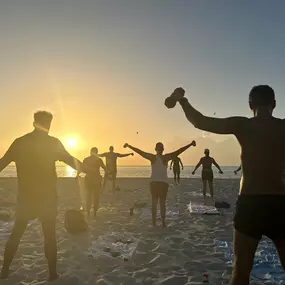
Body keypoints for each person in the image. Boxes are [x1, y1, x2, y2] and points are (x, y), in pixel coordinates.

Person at [166, 85, 285, 285]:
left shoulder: (243, 125)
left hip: (251, 204)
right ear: (274, 104)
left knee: (241, 272)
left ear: (250, 105)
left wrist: (181, 100)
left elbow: (200, 122)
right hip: (280, 203)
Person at [0, 111, 84, 281]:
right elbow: (72, 161)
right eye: (46, 123)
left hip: (28, 197)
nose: (47, 126)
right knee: (47, 235)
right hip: (44, 197)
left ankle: (5, 271)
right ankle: (52, 274)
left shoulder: (20, 142)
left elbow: (2, 163)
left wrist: (86, 168)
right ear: (37, 123)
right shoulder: (52, 143)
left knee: (19, 233)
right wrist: (88, 169)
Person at [123, 141, 196, 227]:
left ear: (155, 149)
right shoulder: (166, 157)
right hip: (163, 184)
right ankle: (163, 223)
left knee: (154, 203)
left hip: (153, 183)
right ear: (163, 149)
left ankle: (154, 223)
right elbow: (178, 151)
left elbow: (140, 152)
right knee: (162, 203)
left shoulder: (152, 157)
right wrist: (190, 145)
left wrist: (129, 146)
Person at [82, 147, 108, 217]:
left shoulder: (86, 159)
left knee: (89, 196)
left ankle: (88, 213)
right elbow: (105, 168)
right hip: (96, 180)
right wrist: (108, 174)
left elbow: (81, 168)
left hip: (89, 180)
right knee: (96, 197)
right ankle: (94, 213)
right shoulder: (98, 160)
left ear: (90, 152)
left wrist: (77, 175)